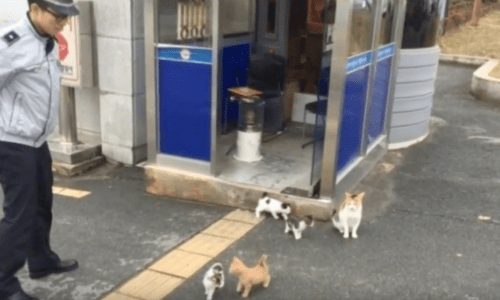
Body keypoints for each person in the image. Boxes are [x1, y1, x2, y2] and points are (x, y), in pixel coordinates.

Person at [0, 1, 80, 299]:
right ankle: (3, 284)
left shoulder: (46, 40)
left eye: (66, 17)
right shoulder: (11, 44)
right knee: (19, 215)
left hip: (36, 141)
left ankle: (41, 260)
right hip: (12, 142)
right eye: (57, 16)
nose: (63, 23)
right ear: (34, 8)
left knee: (42, 204)